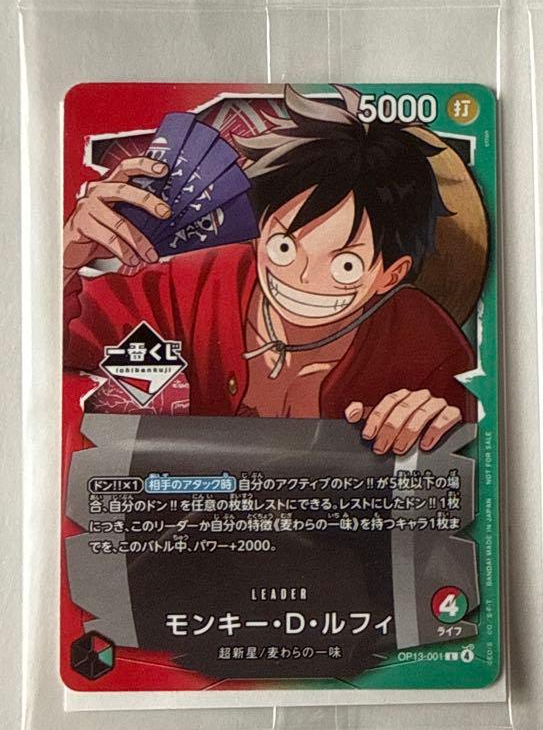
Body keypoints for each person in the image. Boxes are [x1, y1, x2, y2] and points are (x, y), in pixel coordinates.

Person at [63, 85, 474, 455]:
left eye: (346, 265)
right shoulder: (197, 284)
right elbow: (63, 342)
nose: (302, 277)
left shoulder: (425, 343)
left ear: (391, 274)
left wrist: (438, 423)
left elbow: (468, 450)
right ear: (259, 234)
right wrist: (65, 258)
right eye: (284, 247)